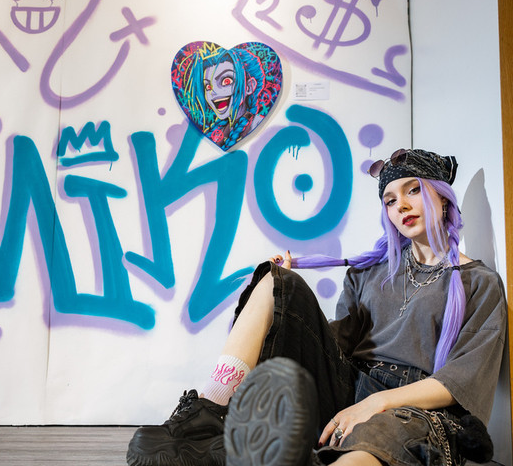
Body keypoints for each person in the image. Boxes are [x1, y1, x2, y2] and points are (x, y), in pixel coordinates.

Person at [126, 149, 507, 466]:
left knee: (375, 440)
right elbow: (336, 343)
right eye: (390, 200)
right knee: (277, 283)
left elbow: (459, 382)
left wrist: (375, 404)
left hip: (414, 409)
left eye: (413, 191)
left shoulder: (479, 283)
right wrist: (285, 304)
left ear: (443, 198)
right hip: (350, 386)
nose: (401, 205)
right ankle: (209, 416)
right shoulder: (368, 273)